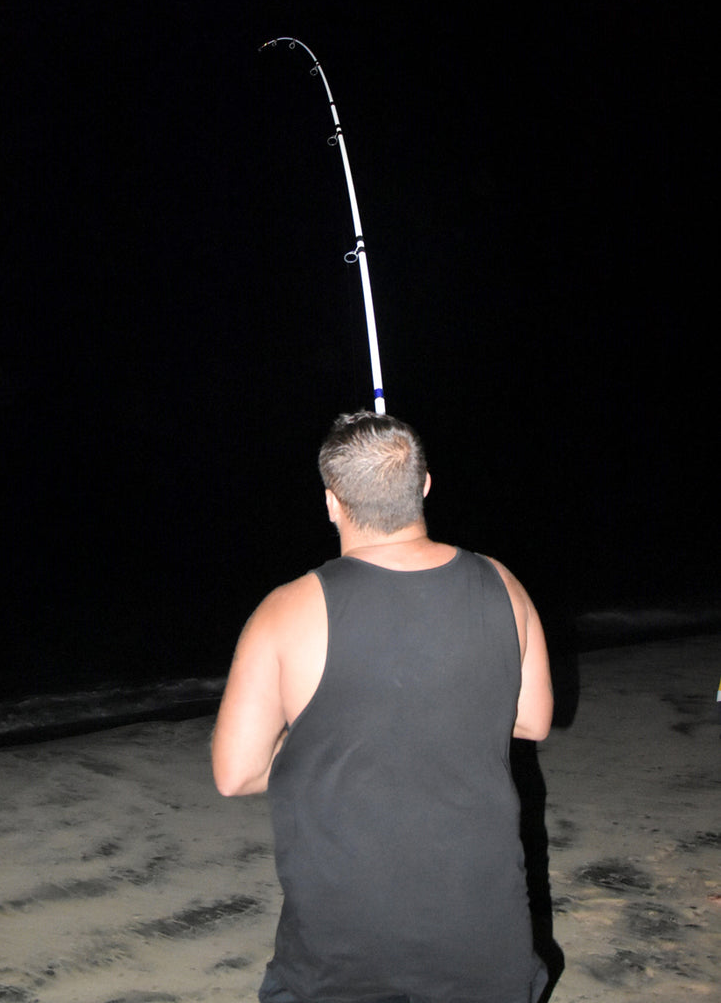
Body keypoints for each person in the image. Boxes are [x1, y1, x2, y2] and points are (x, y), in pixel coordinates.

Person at [212, 411, 554, 1003]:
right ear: (423, 486)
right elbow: (532, 719)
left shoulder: (285, 611)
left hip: (342, 948)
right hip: (483, 933)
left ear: (330, 503)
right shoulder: (502, 583)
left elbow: (237, 773)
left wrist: (326, 736)